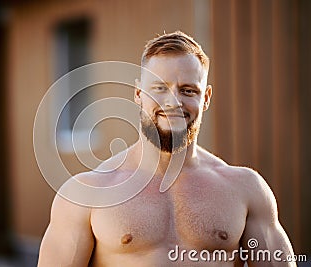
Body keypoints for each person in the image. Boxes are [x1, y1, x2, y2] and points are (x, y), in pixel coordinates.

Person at [37, 31, 296, 266]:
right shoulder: (85, 195)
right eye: (159, 88)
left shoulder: (245, 189)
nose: (173, 102)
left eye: (187, 90)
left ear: (205, 98)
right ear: (138, 93)